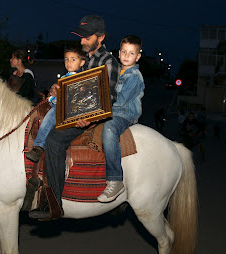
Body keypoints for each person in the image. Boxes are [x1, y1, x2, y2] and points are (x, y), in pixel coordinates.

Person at [29, 15, 120, 220]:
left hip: (91, 118)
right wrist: (56, 89)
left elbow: (110, 98)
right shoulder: (82, 58)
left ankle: (53, 204)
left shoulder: (109, 62)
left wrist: (89, 118)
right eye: (81, 37)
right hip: (73, 113)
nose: (82, 41)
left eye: (87, 37)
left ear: (101, 37)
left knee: (53, 140)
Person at [97, 35, 145, 202]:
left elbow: (120, 99)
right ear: (119, 52)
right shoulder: (115, 71)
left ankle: (115, 179)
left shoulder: (135, 76)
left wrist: (99, 106)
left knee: (109, 129)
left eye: (131, 53)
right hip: (109, 110)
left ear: (138, 56)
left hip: (124, 114)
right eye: (124, 51)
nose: (126, 56)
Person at [26, 47, 86, 162]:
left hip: (68, 109)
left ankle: (38, 146)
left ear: (82, 62)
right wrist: (51, 98)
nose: (68, 62)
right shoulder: (64, 77)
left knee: (52, 114)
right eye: (66, 59)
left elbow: (70, 98)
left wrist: (53, 99)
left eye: (73, 59)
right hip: (58, 104)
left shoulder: (80, 78)